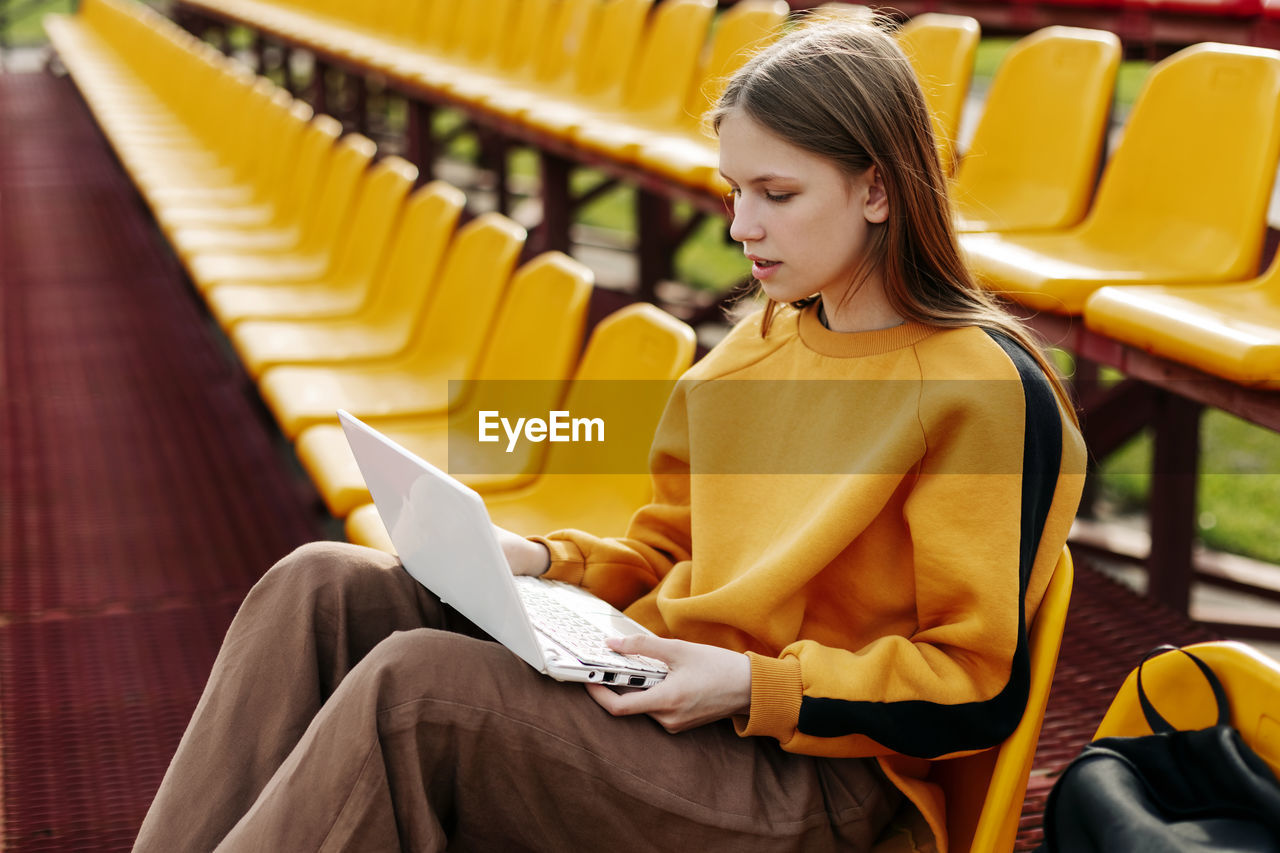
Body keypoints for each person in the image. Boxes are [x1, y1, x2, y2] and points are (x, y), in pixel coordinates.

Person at [134, 15, 1085, 853]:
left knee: (414, 695)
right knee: (320, 585)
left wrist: (749, 684)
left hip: (818, 785)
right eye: (732, 191)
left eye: (776, 193)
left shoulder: (985, 389)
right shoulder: (752, 351)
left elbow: (976, 686)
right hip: (668, 702)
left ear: (878, 189)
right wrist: (536, 562)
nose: (741, 226)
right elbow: (665, 552)